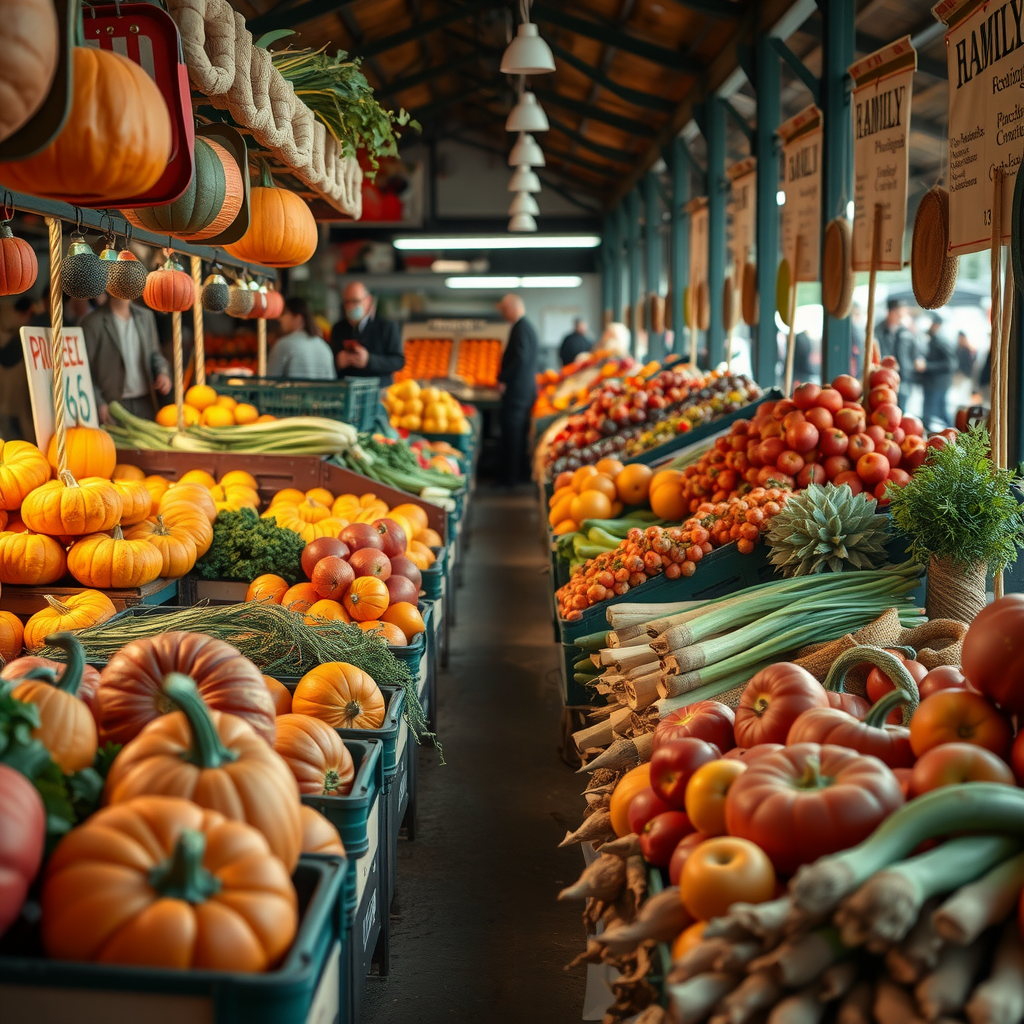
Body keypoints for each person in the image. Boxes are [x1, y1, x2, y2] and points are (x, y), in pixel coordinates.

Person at [81, 295, 171, 423]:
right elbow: (85, 370)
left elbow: (154, 354)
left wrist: (162, 372)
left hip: (145, 401)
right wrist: (98, 402)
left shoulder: (146, 317)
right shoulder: (92, 323)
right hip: (112, 404)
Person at [496, 293, 538, 487]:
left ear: (513, 307)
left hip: (517, 392)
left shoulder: (520, 328)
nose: (504, 315)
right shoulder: (525, 327)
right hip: (523, 390)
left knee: (512, 434)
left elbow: (519, 358)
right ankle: (517, 474)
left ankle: (509, 478)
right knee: (517, 434)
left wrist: (504, 378)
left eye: (504, 310)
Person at [329, 281, 404, 387]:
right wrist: (337, 361)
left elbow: (398, 361)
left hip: (378, 391)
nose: (351, 306)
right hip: (347, 390)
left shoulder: (387, 326)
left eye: (355, 301)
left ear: (368, 301)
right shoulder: (338, 328)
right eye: (347, 302)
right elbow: (327, 361)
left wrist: (369, 360)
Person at [267, 297, 335, 380]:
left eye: (284, 313)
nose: (280, 319)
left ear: (298, 317)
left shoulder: (283, 345)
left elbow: (269, 383)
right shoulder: (324, 347)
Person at [915, 312, 958, 431]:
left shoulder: (942, 341)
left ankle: (954, 434)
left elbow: (951, 364)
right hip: (931, 383)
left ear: (937, 325)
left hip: (938, 384)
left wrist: (927, 366)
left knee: (936, 413)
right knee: (931, 413)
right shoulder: (933, 340)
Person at [875, 298, 918, 407]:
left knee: (901, 410)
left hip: (904, 379)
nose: (900, 317)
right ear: (890, 312)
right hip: (884, 379)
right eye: (898, 313)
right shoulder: (877, 330)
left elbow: (915, 352)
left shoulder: (905, 331)